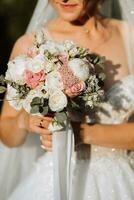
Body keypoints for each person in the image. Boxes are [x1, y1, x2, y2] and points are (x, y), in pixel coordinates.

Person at [1, 0, 134, 199]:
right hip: (55, 181)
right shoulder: (31, 44)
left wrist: (79, 134)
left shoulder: (129, 35)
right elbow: (7, 134)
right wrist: (24, 121)